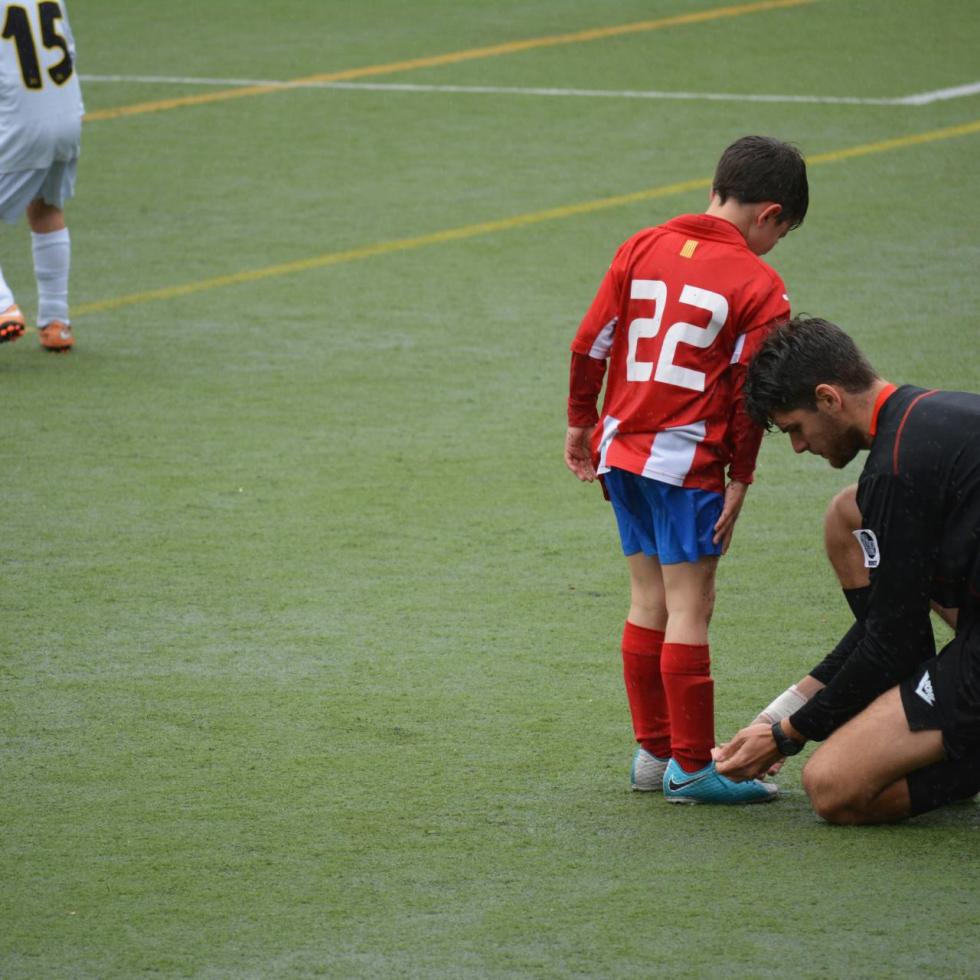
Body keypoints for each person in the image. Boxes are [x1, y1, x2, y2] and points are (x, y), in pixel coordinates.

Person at [564, 135, 808, 804]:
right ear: (771, 214)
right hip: (686, 461)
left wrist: (581, 421)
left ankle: (654, 754)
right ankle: (694, 767)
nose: (774, 247)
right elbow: (748, 393)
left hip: (621, 450)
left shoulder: (640, 245)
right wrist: (741, 477)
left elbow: (590, 343)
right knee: (691, 606)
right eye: (781, 233)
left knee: (648, 599)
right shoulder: (760, 286)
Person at [715, 316, 980, 823]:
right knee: (847, 513)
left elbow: (892, 642)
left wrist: (785, 736)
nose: (798, 446)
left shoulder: (894, 473)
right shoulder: (930, 415)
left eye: (795, 428)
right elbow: (888, 625)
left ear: (829, 398)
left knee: (834, 786)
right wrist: (778, 714)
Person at [0, 0, 83, 352]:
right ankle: (56, 321)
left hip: (21, 122)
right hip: (66, 114)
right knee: (46, 206)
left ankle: (3, 307)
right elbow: (70, 48)